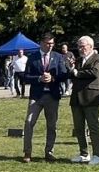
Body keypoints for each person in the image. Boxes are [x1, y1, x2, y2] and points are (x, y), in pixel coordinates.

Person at [21, 33, 66, 163]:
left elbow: (64, 75)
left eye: (52, 43)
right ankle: (27, 152)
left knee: (52, 125)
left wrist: (53, 78)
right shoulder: (32, 57)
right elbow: (26, 76)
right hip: (36, 96)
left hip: (52, 95)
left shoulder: (58, 57)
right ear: (41, 43)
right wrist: (39, 78)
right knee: (29, 122)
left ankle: (49, 152)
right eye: (47, 43)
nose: (50, 46)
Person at [69, 36, 99, 165]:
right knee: (78, 127)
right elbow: (72, 75)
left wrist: (77, 73)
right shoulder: (78, 60)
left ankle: (98, 155)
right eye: (79, 46)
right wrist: (71, 70)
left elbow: (95, 72)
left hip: (91, 97)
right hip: (77, 96)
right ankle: (84, 154)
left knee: (93, 127)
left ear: (91, 46)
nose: (81, 49)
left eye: (83, 46)